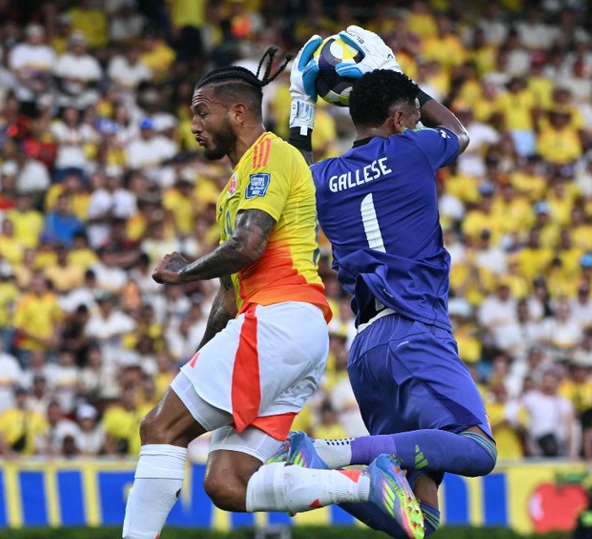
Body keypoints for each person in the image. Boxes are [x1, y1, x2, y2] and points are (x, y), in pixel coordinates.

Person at [122, 47, 423, 539]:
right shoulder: (234, 188)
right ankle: (367, 485)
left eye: (202, 112)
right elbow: (228, 298)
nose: (194, 125)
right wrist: (202, 359)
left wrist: (183, 272)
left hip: (278, 322)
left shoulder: (269, 155)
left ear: (238, 112)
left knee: (159, 428)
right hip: (288, 336)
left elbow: (248, 245)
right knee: (227, 483)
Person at [282, 26, 497, 538]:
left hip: (367, 350)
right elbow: (460, 133)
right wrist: (401, 78)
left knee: (419, 520)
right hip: (415, 328)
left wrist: (301, 106)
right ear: (399, 119)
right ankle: (332, 453)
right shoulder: (413, 150)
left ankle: (339, 478)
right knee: (478, 449)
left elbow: (294, 175)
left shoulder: (322, 177)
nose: (418, 121)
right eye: (413, 115)